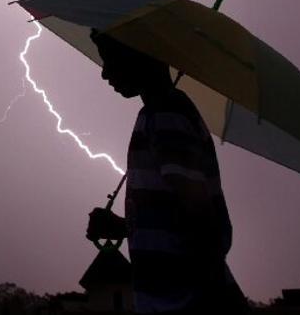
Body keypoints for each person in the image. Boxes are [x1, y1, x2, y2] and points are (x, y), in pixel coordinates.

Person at [85, 31, 247, 314]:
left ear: (140, 58)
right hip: (168, 298)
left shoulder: (167, 115)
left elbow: (198, 214)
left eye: (110, 61)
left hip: (187, 301)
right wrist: (124, 226)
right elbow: (175, 218)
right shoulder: (156, 114)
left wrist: (217, 295)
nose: (104, 74)